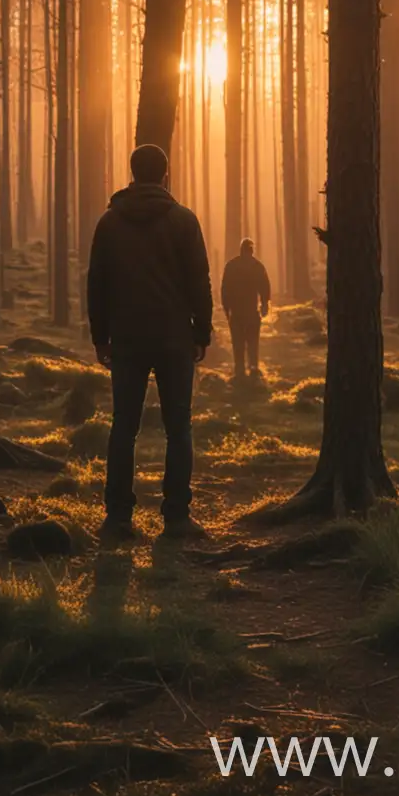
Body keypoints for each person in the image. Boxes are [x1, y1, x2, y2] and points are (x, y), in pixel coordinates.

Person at [86, 143, 213, 541]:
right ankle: (177, 517)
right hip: (175, 338)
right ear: (165, 173)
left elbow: (97, 283)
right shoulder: (184, 221)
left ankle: (118, 517)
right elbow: (199, 281)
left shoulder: (109, 223)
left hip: (126, 339)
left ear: (132, 172)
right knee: (179, 428)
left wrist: (100, 337)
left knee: (124, 425)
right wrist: (201, 332)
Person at [220, 238, 271, 379]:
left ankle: (247, 369)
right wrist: (264, 304)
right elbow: (265, 286)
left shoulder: (232, 266)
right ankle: (245, 369)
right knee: (246, 341)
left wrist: (265, 303)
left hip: (242, 312)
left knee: (244, 341)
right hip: (245, 312)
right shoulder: (256, 266)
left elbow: (225, 289)